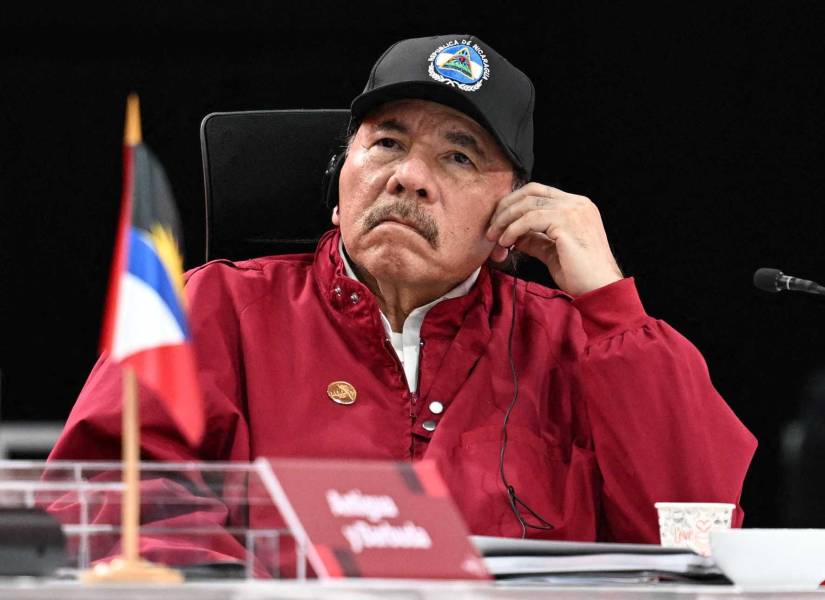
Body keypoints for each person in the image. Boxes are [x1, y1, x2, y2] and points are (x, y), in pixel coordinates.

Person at [49, 34, 756, 557]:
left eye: (458, 156)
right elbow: (109, 504)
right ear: (338, 187)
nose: (409, 178)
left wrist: (608, 306)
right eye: (386, 144)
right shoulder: (211, 310)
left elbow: (698, 537)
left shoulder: (579, 346)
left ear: (512, 215)